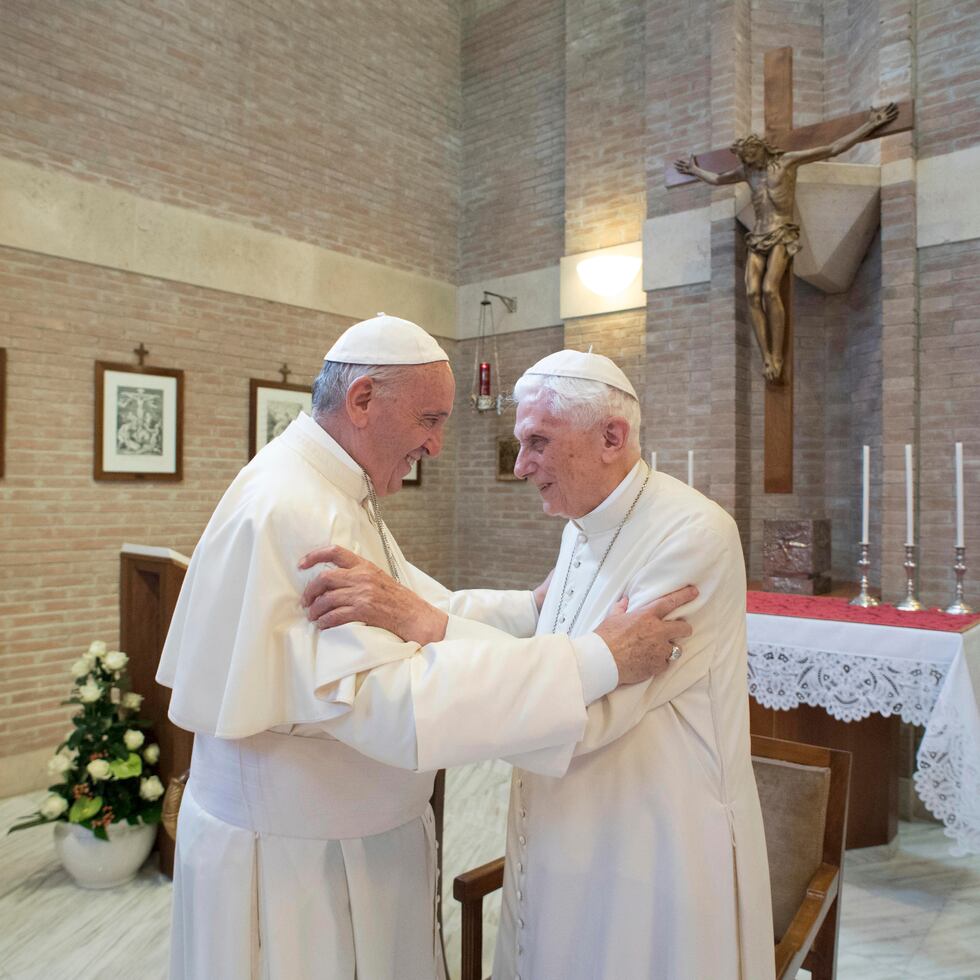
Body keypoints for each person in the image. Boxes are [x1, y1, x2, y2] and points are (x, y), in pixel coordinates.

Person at [157, 316, 695, 980]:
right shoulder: (298, 509)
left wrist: (525, 612)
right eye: (429, 420)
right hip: (302, 865)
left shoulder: (324, 488)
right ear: (361, 402)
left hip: (337, 840)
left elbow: (410, 607)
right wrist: (596, 661)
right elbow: (392, 704)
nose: (437, 446)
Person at [302, 349, 775, 979]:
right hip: (567, 821)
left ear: (613, 437)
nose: (522, 466)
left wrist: (428, 625)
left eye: (538, 443)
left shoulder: (690, 535)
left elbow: (592, 708)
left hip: (653, 837)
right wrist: (424, 610)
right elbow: (556, 637)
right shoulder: (584, 520)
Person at [675, 103, 898, 382]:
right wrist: (695, 171)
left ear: (761, 149)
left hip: (781, 231)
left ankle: (777, 355)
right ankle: (766, 355)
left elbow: (832, 148)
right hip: (757, 236)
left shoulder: (788, 161)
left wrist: (871, 124)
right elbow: (719, 178)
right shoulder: (748, 172)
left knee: (770, 289)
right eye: (745, 157)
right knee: (752, 293)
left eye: (752, 154)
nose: (749, 161)